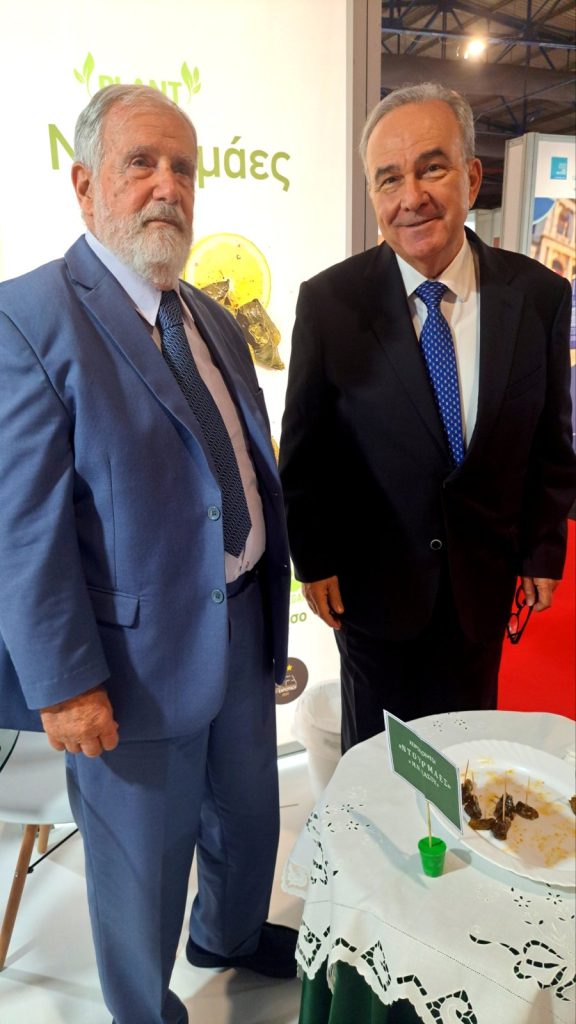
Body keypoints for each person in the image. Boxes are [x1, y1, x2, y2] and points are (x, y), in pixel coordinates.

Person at [0, 84, 295, 1024]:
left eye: (184, 169)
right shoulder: (28, 317)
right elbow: (22, 526)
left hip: (240, 625)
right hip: (125, 671)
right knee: (141, 869)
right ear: (86, 185)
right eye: (142, 164)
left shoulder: (206, 314)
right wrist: (65, 685)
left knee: (249, 818)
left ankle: (229, 937)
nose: (168, 186)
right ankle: (142, 1009)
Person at [279, 81, 576, 753]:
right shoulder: (330, 303)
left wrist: (542, 549)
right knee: (375, 766)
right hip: (372, 596)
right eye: (389, 178)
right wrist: (314, 560)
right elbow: (305, 450)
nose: (410, 196)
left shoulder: (538, 296)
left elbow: (549, 441)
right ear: (373, 196)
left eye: (431, 168)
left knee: (467, 756)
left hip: (482, 588)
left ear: (471, 177)